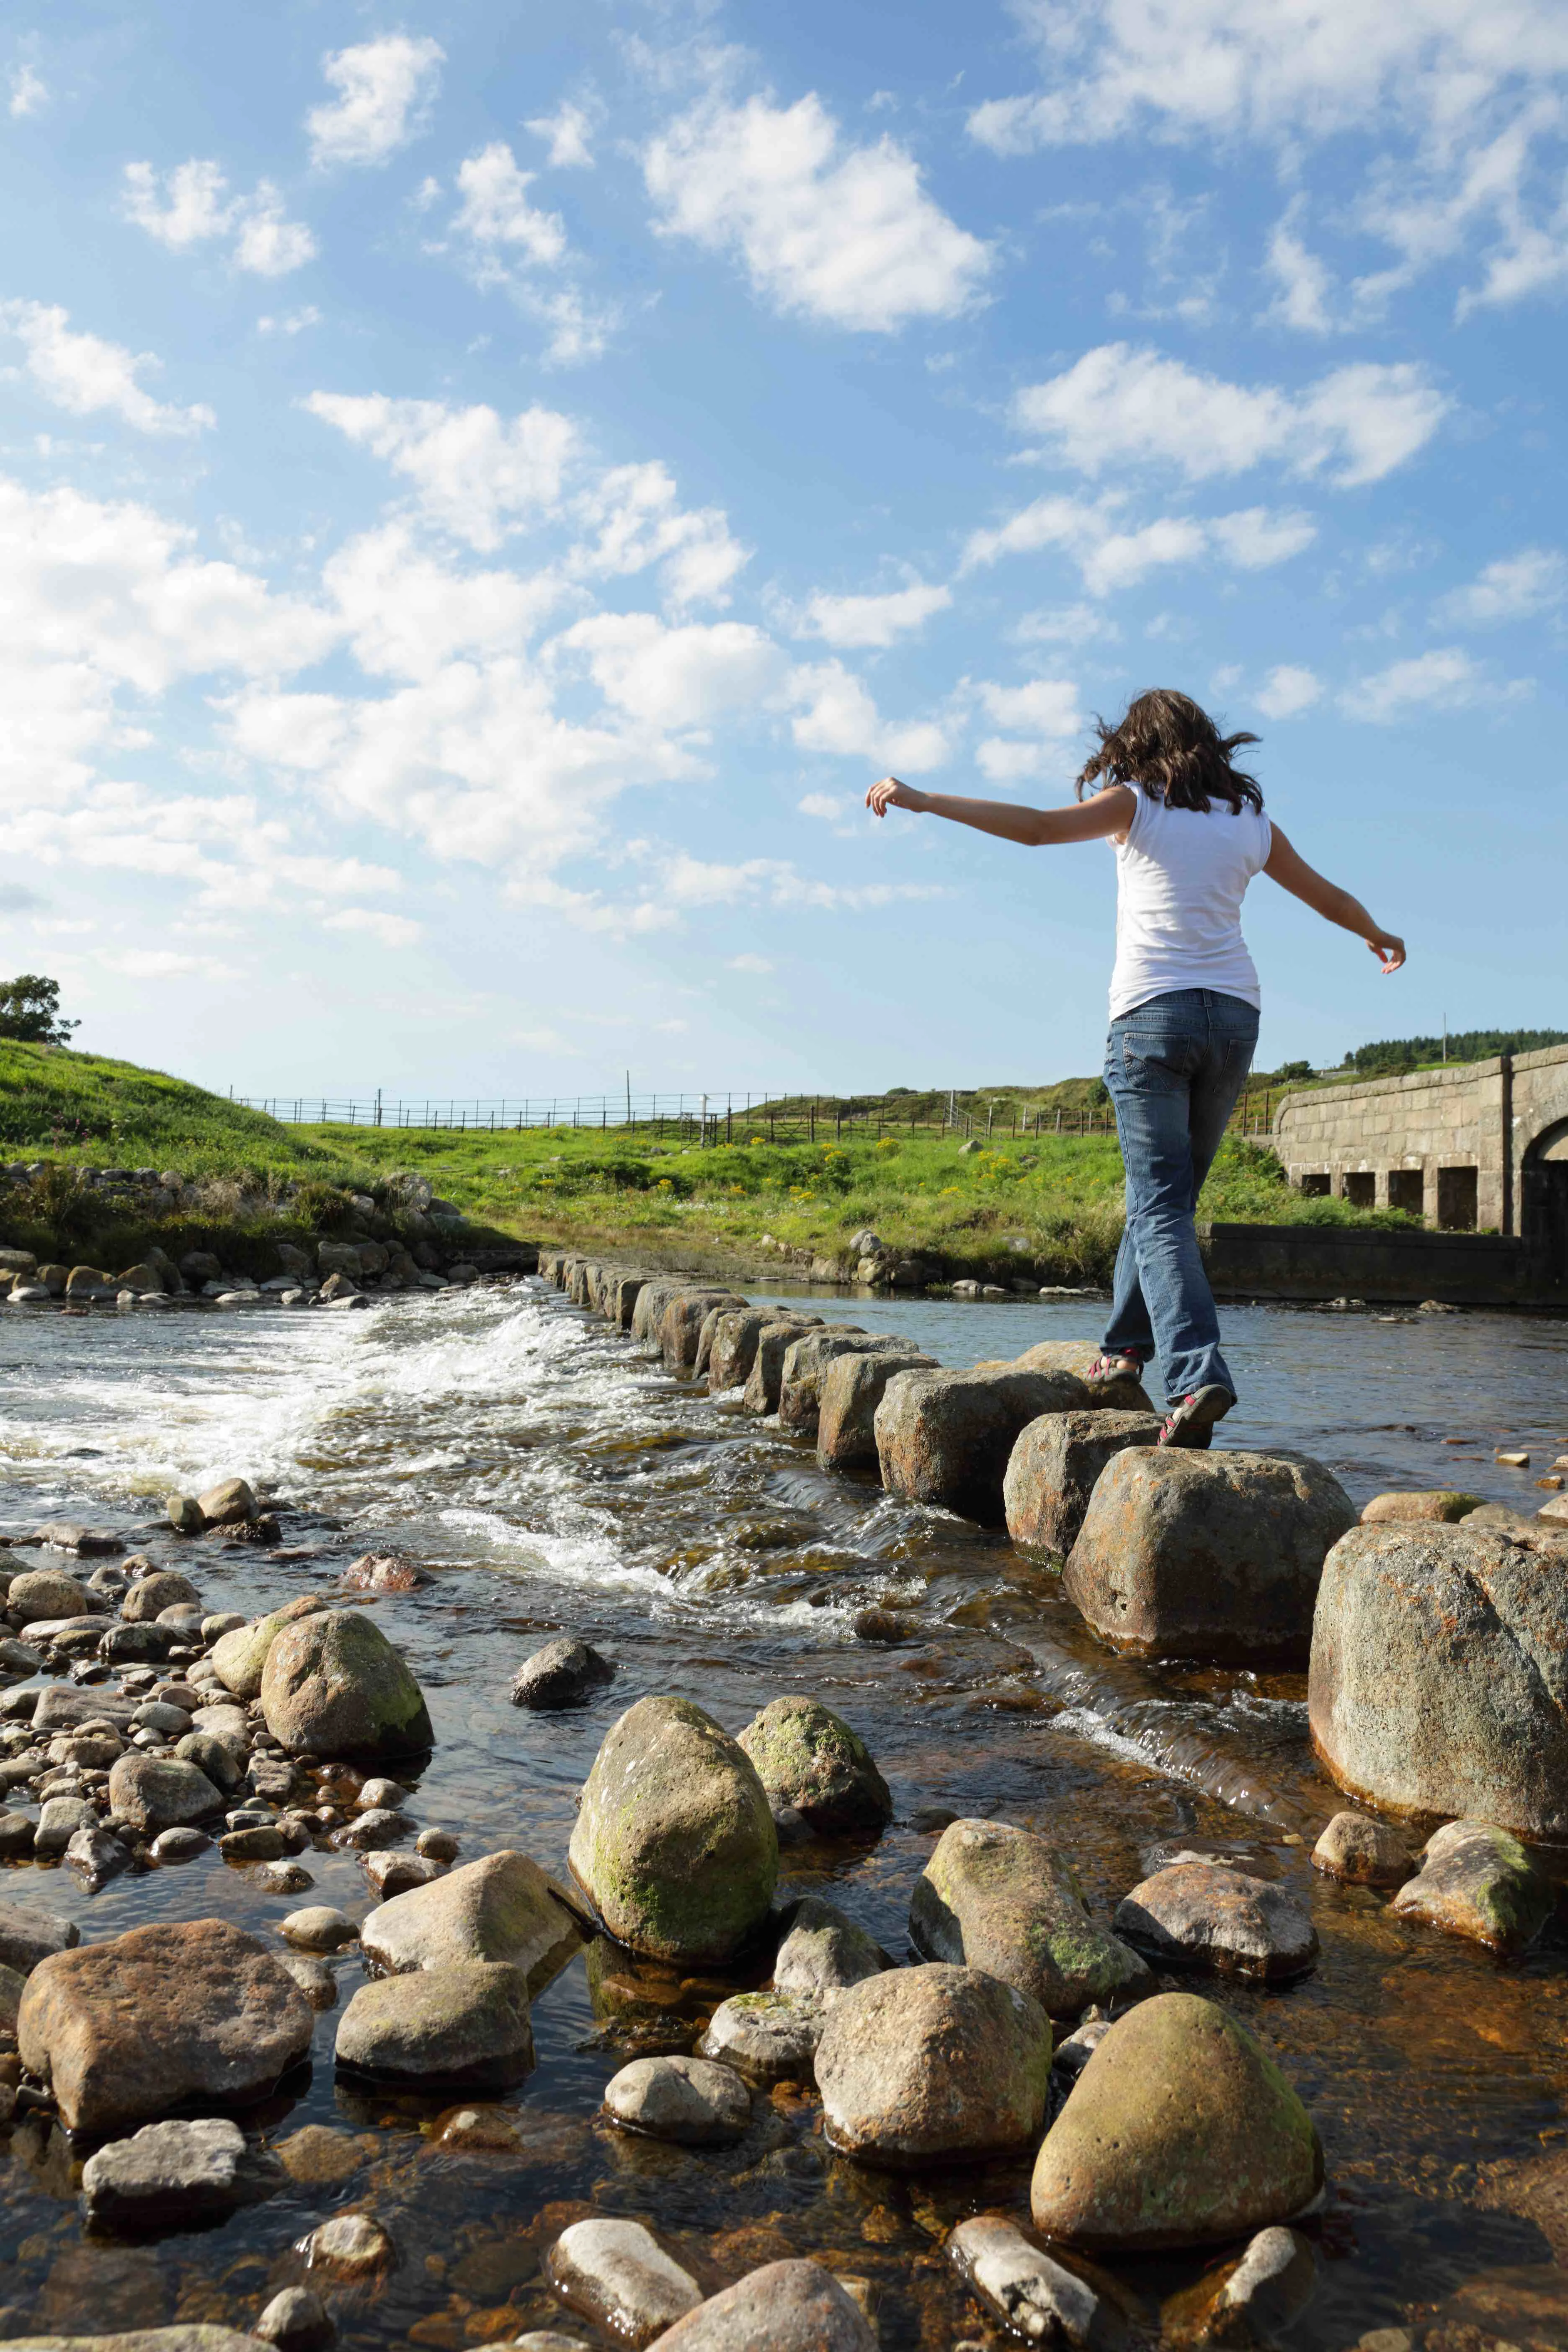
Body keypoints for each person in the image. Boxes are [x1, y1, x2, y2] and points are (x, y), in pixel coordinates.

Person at [867, 687, 1406, 1447]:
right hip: (1235, 1020)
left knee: (1158, 1206)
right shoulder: (1250, 821)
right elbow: (1325, 897)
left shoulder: (1137, 803)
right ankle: (1123, 1354)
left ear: (1138, 743)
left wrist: (924, 800)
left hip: (1152, 1017)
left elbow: (1036, 830)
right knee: (1166, 1202)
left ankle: (1195, 1376)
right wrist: (1377, 933)